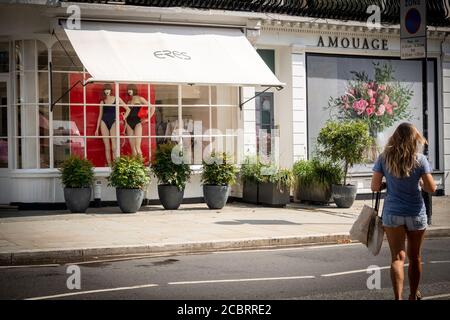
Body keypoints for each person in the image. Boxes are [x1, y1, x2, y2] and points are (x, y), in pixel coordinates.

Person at [371, 123, 436, 300]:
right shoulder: (420, 160)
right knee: (415, 258)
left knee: (397, 258)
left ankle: (398, 297)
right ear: (414, 139)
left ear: (395, 137)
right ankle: (413, 295)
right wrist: (420, 183)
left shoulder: (384, 158)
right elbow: (431, 188)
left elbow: (375, 186)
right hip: (415, 213)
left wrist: (388, 184)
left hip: (392, 214)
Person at [95, 83, 130, 167]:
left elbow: (128, 109)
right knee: (107, 146)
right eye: (105, 90)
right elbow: (100, 115)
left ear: (111, 90)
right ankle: (110, 166)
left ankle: (116, 165)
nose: (107, 91)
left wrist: (121, 118)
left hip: (114, 122)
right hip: (104, 122)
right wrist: (97, 129)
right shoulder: (102, 101)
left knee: (114, 146)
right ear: (104, 91)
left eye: (108, 89)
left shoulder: (116, 99)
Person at [125, 84, 155, 156]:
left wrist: (148, 119)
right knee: (133, 148)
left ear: (134, 90)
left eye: (130, 89)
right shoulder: (128, 102)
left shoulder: (140, 98)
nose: (129, 91)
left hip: (138, 122)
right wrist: (125, 122)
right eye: (128, 90)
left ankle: (141, 166)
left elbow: (152, 107)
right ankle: (134, 166)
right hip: (129, 123)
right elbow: (127, 113)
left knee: (138, 147)